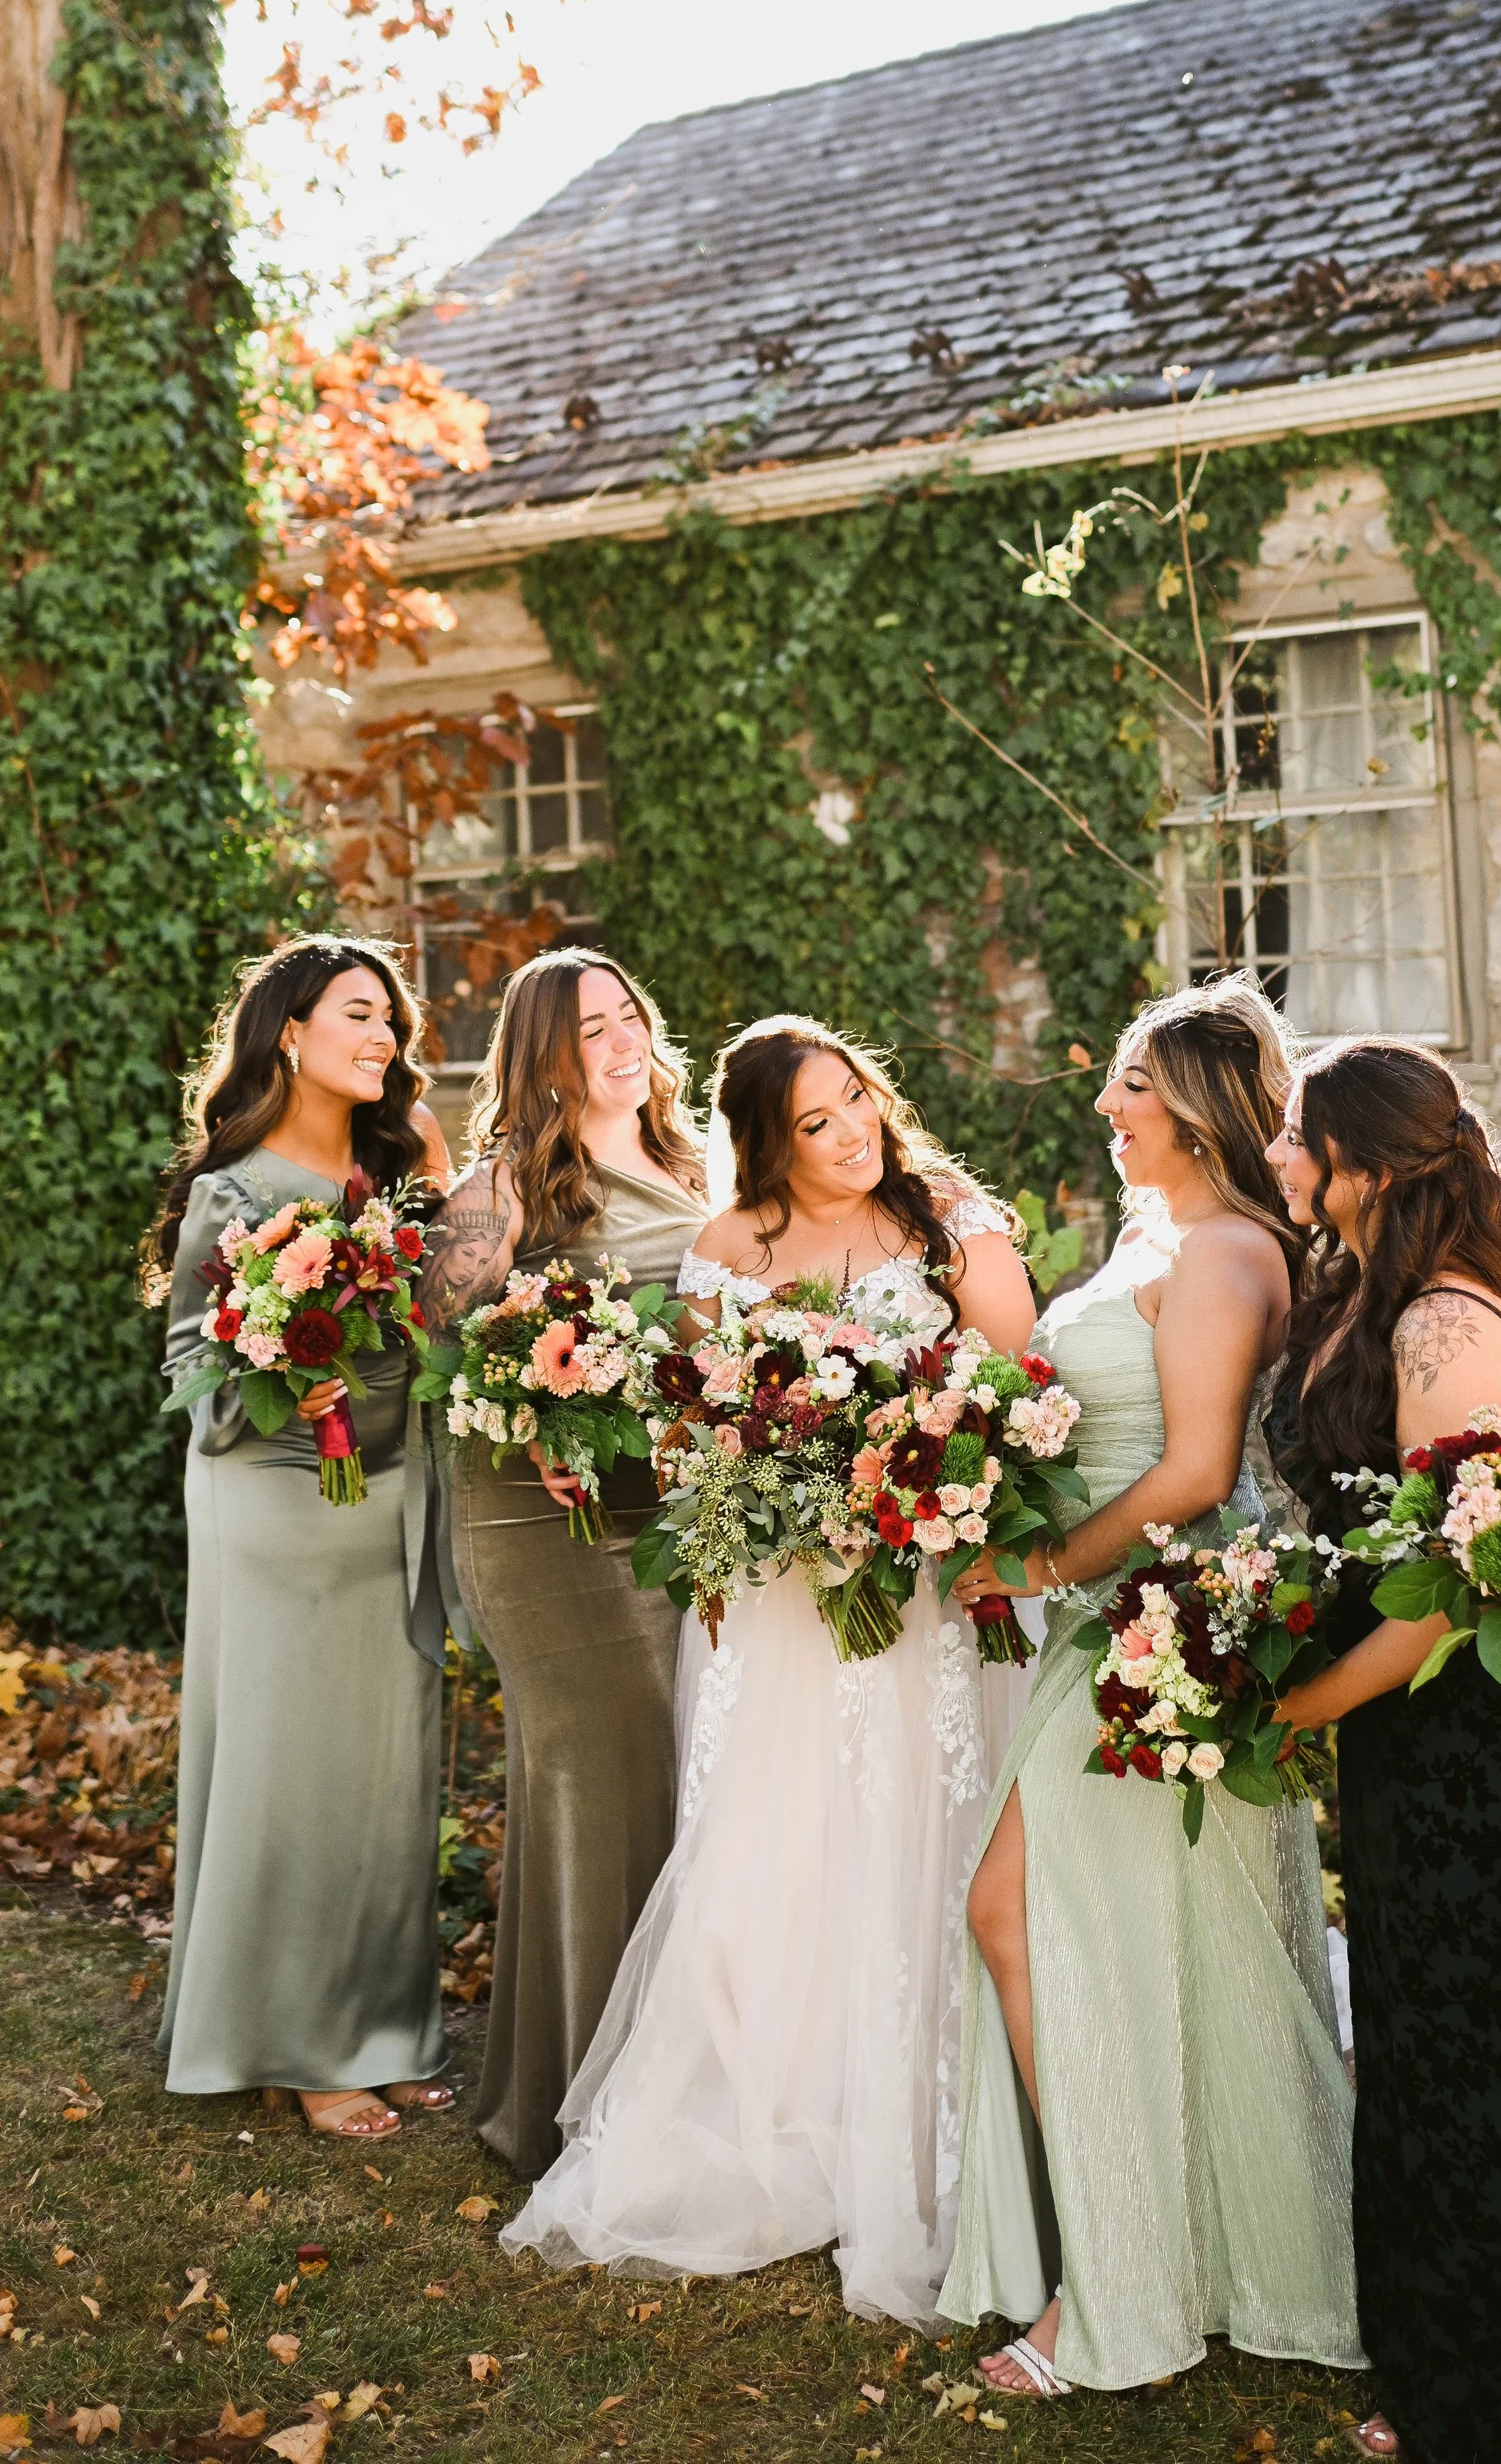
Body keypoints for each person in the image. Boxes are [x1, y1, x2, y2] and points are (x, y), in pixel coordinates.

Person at [502, 1013, 1036, 2323]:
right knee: (776, 1843)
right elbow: (687, 1433)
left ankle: (928, 2125)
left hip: (914, 1590)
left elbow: (1017, 1385)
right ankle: (778, 2119)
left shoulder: (949, 1214)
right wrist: (775, 1473)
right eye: (816, 1120)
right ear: (764, 1143)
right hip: (777, 1598)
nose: (854, 1129)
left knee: (919, 1833)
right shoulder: (729, 1248)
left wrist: (909, 1463)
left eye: (857, 1097)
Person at [940, 978, 1361, 2399]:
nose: (1107, 1103)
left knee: (1017, 1909)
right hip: (1106, 1619)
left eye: (1131, 1082)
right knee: (1146, 1941)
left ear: (1192, 1105)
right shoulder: (1151, 1233)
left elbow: (1193, 1470)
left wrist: (1046, 1554)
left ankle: (1114, 2279)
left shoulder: (1236, 1250)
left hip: (1171, 1629)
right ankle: (1155, 2251)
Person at [1262, 1036, 1501, 2464]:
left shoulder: (1446, 1332)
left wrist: (1300, 1706)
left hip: (1469, 1746)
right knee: (1420, 2043)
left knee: (1483, 2052)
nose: (1284, 1161)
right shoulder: (1371, 1294)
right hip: (1408, 1742)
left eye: (1302, 1140)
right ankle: (1433, 2362)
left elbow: (1456, 1594)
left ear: (1362, 1163)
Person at [149, 934, 453, 2140]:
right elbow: (187, 1359)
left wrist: (433, 1168)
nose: (384, 1038)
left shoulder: (398, 1184)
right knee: (291, 1771)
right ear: (290, 1031)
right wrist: (269, 1379)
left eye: (391, 1021)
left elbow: (447, 1327)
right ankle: (297, 2042)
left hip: (391, 1498)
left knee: (386, 1770)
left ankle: (381, 2026)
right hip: (268, 1497)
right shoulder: (233, 1191)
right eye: (359, 1015)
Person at [425, 948, 707, 2179]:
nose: (620, 1040)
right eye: (589, 1027)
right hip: (543, 1523)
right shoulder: (506, 1187)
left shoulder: (696, 1165)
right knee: (614, 1754)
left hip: (673, 1514)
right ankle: (584, 2102)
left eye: (629, 1016)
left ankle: (661, 2072)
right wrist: (531, 1408)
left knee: (673, 1757)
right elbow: (435, 1337)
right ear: (543, 1052)